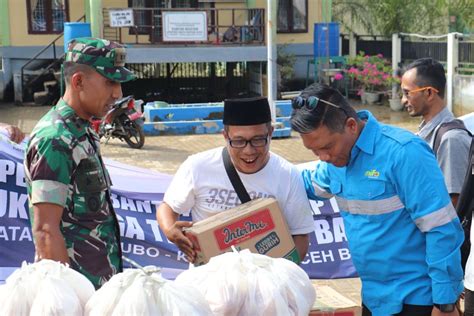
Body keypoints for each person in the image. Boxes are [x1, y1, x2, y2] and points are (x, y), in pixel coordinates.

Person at [290, 83, 463, 316]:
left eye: (327, 147)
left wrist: (445, 303)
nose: (323, 157)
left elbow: (441, 229)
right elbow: (306, 186)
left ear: (351, 125)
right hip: (373, 299)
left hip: (417, 299)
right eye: (314, 152)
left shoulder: (404, 153)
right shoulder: (335, 163)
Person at [24, 37, 136, 289]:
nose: (117, 93)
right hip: (79, 296)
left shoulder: (81, 130)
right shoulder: (55, 141)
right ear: (78, 81)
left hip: (99, 288)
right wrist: (71, 300)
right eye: (110, 82)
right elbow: (45, 230)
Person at [156, 97, 315, 263]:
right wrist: (169, 229)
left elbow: (300, 235)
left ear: (270, 133)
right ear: (225, 136)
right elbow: (168, 207)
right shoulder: (197, 167)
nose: (249, 151)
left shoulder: (287, 175)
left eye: (258, 140)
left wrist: (277, 279)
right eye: (238, 141)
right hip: (209, 280)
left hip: (265, 282)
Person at [401, 57, 471, 208]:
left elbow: (454, 204)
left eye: (407, 93)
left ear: (429, 93)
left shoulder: (451, 139)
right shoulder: (426, 132)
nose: (403, 100)